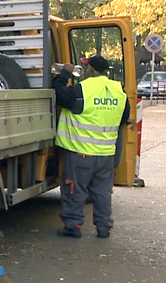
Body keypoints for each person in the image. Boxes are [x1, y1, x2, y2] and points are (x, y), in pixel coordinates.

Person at [53, 55, 130, 239]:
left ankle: (73, 226)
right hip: (106, 155)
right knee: (102, 192)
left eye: (86, 67)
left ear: (91, 70)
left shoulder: (81, 90)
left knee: (74, 190)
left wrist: (64, 74)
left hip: (81, 154)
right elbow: (123, 118)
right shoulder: (118, 91)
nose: (85, 70)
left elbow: (57, 93)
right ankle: (103, 227)